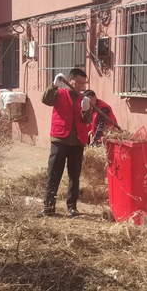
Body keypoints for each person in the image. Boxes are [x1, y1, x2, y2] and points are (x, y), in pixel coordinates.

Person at [40, 68, 92, 217]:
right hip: (60, 139)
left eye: (84, 83)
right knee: (53, 174)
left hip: (77, 142)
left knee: (74, 176)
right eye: (79, 82)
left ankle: (72, 207)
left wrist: (86, 110)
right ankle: (49, 206)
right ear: (71, 81)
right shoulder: (59, 94)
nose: (81, 86)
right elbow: (46, 100)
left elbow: (86, 121)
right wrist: (53, 85)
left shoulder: (84, 98)